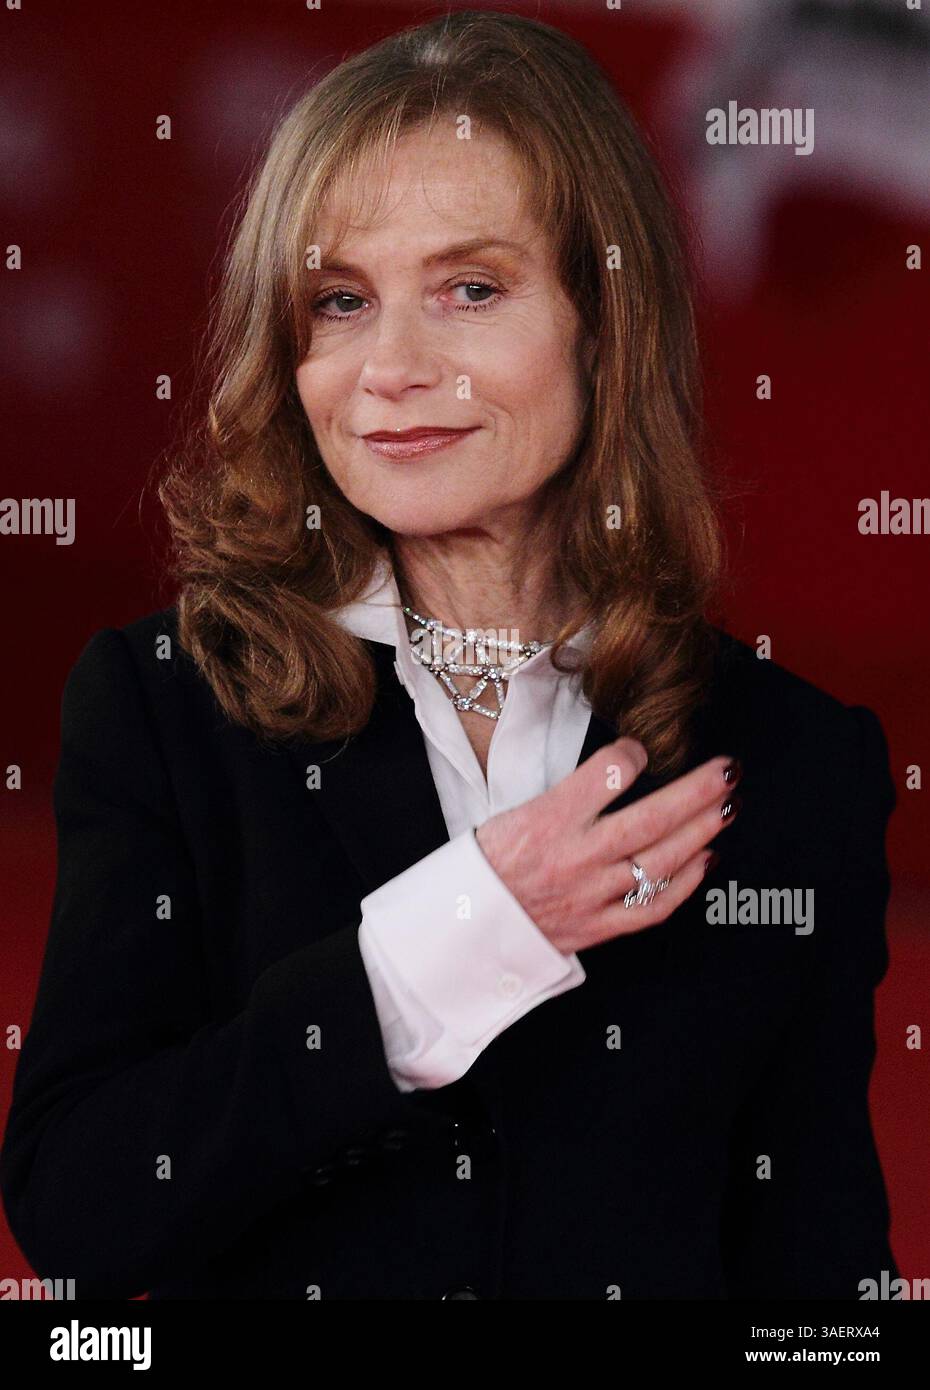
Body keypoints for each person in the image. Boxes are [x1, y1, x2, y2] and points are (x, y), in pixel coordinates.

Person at [0, 10, 897, 1300]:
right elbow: (82, 1206)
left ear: (606, 319)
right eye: (342, 302)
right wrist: (454, 942)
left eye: (470, 290)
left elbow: (816, 1285)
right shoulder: (163, 705)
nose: (391, 371)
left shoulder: (796, 759)